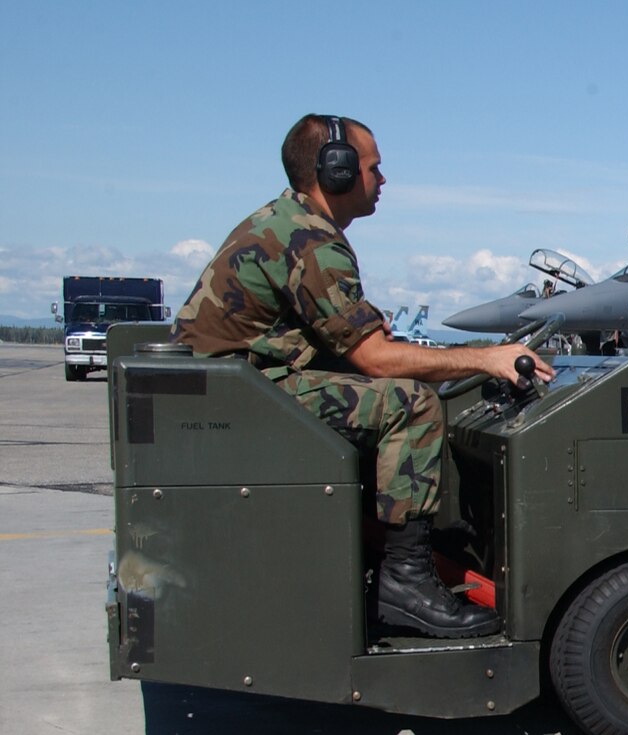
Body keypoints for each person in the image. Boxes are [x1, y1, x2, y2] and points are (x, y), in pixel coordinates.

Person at [172, 113, 553, 638]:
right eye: (374, 167)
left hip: (229, 395)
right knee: (412, 404)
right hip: (240, 403)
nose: (382, 179)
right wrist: (487, 358)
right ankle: (406, 582)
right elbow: (376, 359)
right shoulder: (309, 240)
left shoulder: (292, 223)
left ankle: (397, 547)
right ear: (336, 170)